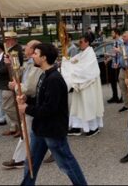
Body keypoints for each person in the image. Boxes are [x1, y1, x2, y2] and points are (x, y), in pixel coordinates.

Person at [17, 43, 88, 185]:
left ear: (43, 58)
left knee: (67, 164)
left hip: (52, 130)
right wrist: (28, 99)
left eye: (35, 54)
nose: (32, 56)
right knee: (31, 163)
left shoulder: (54, 79)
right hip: (40, 129)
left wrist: (26, 109)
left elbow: (49, 109)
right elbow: (42, 99)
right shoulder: (45, 75)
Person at [2, 40, 45, 169]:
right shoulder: (30, 63)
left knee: (26, 130)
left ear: (33, 50)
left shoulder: (37, 66)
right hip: (29, 102)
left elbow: (30, 88)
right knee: (31, 131)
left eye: (27, 47)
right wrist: (11, 64)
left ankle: (19, 159)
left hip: (33, 103)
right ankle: (22, 158)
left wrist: (16, 86)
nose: (24, 49)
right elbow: (20, 72)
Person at [61, 36, 104, 137]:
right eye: (79, 42)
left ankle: (93, 128)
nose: (79, 44)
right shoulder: (82, 54)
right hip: (80, 86)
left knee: (88, 106)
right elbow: (73, 61)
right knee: (77, 107)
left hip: (88, 86)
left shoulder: (90, 54)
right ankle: (76, 127)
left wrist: (71, 68)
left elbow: (86, 70)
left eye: (81, 42)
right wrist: (66, 60)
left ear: (87, 42)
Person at [105, 28, 123, 104]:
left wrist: (108, 54)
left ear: (116, 33)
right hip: (113, 64)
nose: (111, 34)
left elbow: (120, 54)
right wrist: (108, 59)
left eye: (112, 33)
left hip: (118, 64)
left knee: (120, 82)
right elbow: (114, 53)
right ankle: (115, 96)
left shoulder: (121, 42)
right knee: (113, 81)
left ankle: (123, 97)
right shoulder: (115, 42)